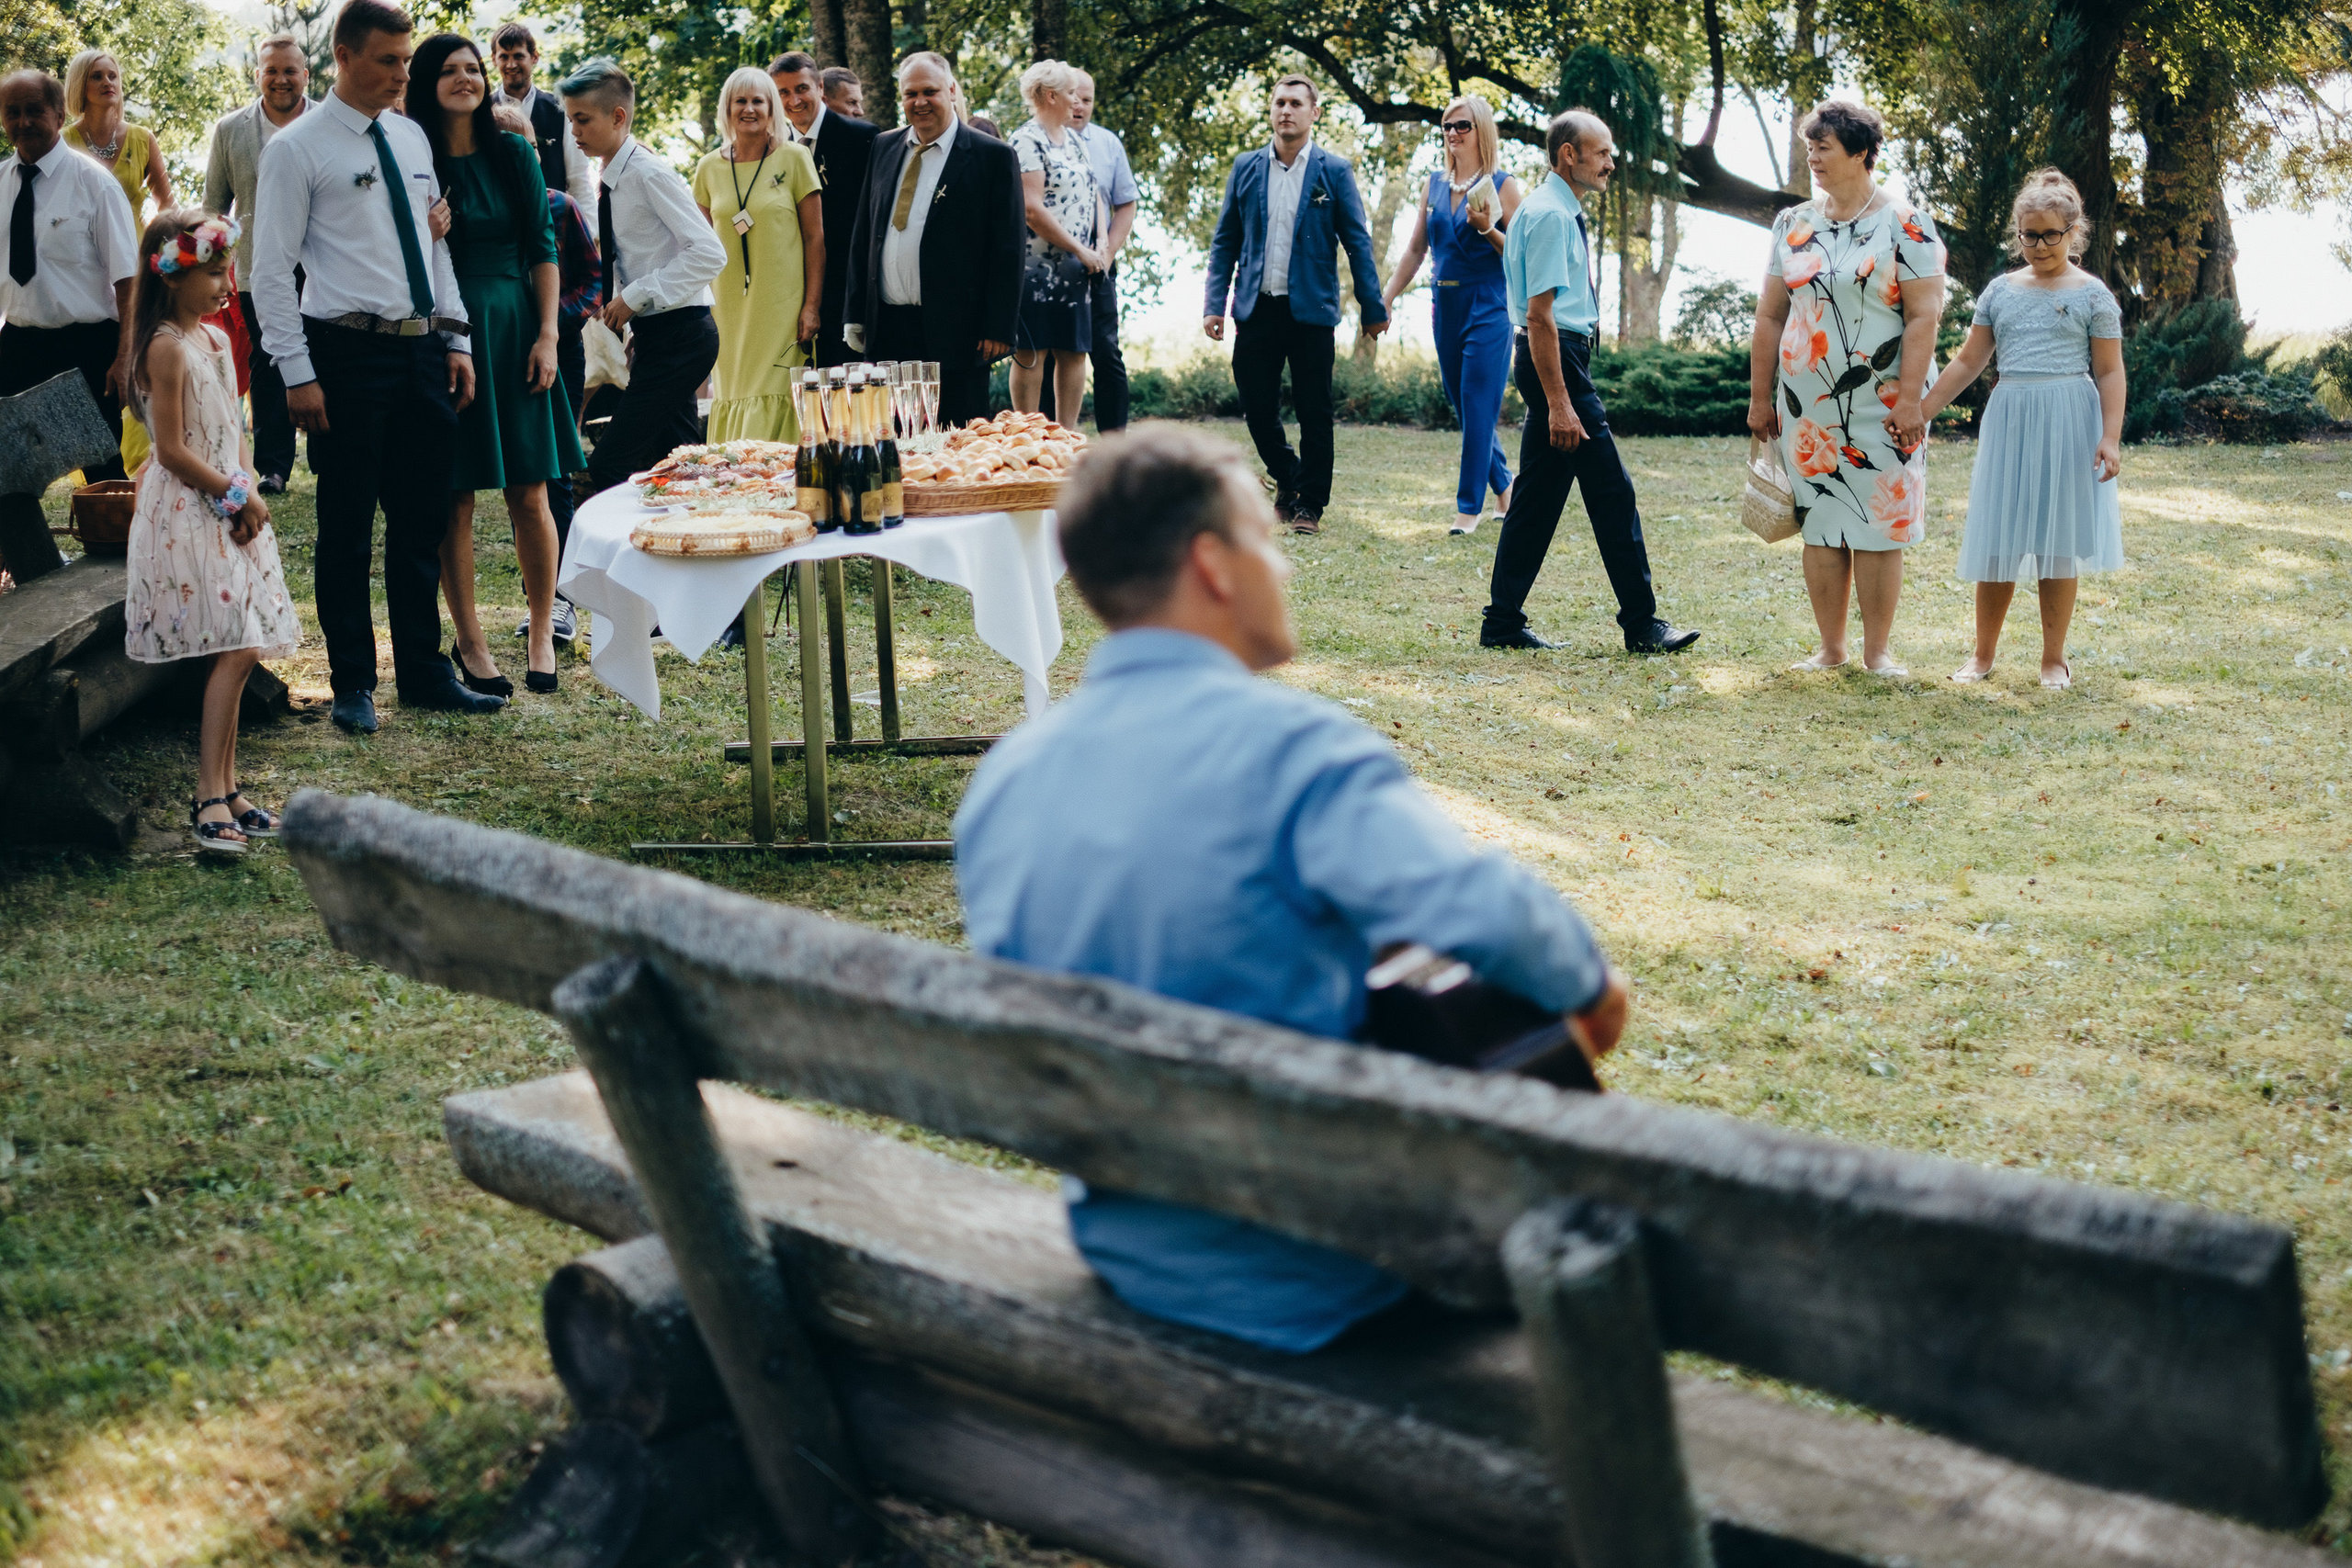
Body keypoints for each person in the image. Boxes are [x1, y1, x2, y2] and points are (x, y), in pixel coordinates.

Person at [955, 423, 1628, 1353]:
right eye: (1264, 537)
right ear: (1213, 565)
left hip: (1132, 1253)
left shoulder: (1003, 783)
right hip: (1328, 1280)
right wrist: (1595, 990)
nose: (1284, 566)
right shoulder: (1294, 754)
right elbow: (1498, 924)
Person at [252, 0, 503, 734]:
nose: (403, 74)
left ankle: (425, 672)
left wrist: (454, 338)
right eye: (389, 61)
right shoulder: (297, 150)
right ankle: (354, 681)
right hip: (345, 351)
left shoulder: (411, 136)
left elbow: (435, 245)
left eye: (405, 59)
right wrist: (295, 371)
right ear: (344, 55)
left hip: (422, 349)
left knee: (422, 517)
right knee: (347, 523)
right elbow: (270, 273)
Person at [1480, 110, 1699, 656]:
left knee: (1536, 498)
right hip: (1558, 360)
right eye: (1600, 153)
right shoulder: (1553, 215)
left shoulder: (1539, 208)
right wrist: (1559, 402)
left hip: (1550, 357)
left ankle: (1502, 621)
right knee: (1612, 493)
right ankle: (1642, 625)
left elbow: (1527, 289)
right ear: (1568, 155)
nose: (1611, 162)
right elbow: (1540, 316)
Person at [407, 37, 582, 701]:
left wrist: (546, 335)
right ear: (428, 82)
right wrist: (428, 231)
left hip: (514, 327)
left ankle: (541, 628)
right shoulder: (413, 153)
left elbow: (543, 244)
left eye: (472, 69)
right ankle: (471, 639)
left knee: (531, 491)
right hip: (445, 331)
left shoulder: (515, 151)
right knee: (454, 495)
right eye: (448, 71)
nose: (465, 79)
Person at [121, 209, 300, 856]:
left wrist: (249, 487)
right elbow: (169, 449)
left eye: (229, 270)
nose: (229, 283)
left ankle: (230, 786)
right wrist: (230, 496)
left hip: (232, 502)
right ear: (172, 277)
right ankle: (207, 794)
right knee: (233, 646)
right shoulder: (164, 347)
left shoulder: (219, 340)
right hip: (192, 511)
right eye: (217, 272)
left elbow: (235, 427)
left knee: (245, 641)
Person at [1746, 99, 1945, 677]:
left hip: (1885, 403)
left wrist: (1912, 400)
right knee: (1822, 521)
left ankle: (1876, 651)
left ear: (1860, 153)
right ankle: (1830, 649)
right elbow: (1769, 317)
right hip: (1805, 403)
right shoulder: (1792, 224)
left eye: (1823, 147)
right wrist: (1761, 397)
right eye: (1809, 147)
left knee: (1881, 526)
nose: (1812, 157)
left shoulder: (1906, 223)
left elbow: (1923, 317)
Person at [1918, 169, 2124, 690]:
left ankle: (2053, 658)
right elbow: (1968, 362)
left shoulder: (2093, 295)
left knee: (2058, 541)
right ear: (2018, 233)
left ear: (2073, 232)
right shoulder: (1999, 292)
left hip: (2069, 417)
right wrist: (1921, 411)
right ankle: (1982, 654)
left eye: (2051, 234)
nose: (2039, 245)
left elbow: (2109, 370)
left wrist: (2110, 436)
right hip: (2011, 414)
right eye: (2029, 235)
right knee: (1999, 538)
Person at [1201, 74, 1388, 535]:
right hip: (1256, 310)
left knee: (1314, 410)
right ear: (1271, 111)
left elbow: (1358, 244)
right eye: (1279, 103)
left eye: (1296, 104)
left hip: (1311, 312)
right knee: (1256, 405)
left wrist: (1373, 307)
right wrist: (1214, 304)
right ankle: (1288, 476)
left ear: (1314, 113)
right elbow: (1225, 241)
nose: (1286, 110)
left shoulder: (1334, 171)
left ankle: (1310, 505)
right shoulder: (1246, 167)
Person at [561, 58, 725, 500]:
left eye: (582, 119)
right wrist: (639, 321)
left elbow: (710, 252)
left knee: (610, 462)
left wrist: (634, 298)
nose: (573, 130)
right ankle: (694, 547)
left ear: (618, 117)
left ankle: (580, 564)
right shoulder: (612, 177)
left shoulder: (649, 173)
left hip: (685, 336)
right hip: (657, 336)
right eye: (570, 119)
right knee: (680, 461)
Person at [0, 70, 137, 585]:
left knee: (103, 470)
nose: (24, 121)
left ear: (60, 114)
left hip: (87, 344)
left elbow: (129, 278)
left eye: (34, 109)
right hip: (19, 341)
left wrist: (126, 357)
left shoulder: (93, 184)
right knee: (5, 466)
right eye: (13, 111)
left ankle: (124, 583)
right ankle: (32, 574)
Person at [842, 52, 1023, 428]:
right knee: (890, 441)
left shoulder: (992, 156)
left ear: (952, 90)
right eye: (910, 94)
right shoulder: (883, 147)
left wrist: (998, 326)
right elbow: (865, 233)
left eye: (930, 91)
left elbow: (1007, 247)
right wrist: (856, 312)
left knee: (956, 441)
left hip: (958, 329)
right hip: (888, 328)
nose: (920, 102)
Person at [1381, 94, 1522, 536]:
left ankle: (1467, 509)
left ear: (1482, 131)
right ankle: (1506, 486)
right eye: (1446, 126)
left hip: (1489, 304)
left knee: (1479, 406)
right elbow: (1415, 250)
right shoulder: (1433, 185)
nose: (1452, 133)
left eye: (1462, 125)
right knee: (1464, 406)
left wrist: (1488, 230)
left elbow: (1520, 254)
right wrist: (1384, 298)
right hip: (1445, 306)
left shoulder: (1503, 185)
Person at [203, 33, 312, 495]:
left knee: (331, 360)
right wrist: (210, 272)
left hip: (323, 266)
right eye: (272, 70)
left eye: (290, 70)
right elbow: (213, 208)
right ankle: (273, 467)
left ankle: (333, 456)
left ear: (305, 75)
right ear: (258, 76)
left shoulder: (330, 122)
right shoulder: (231, 130)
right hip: (256, 268)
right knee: (269, 367)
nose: (281, 79)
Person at [694, 66, 822, 441]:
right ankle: (738, 478)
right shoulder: (708, 168)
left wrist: (811, 306)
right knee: (732, 390)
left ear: (772, 109)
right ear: (727, 108)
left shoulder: (795, 158)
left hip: (783, 305)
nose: (749, 109)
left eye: (758, 101)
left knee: (780, 388)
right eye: (741, 101)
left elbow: (815, 238)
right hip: (728, 308)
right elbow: (698, 245)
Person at [1007, 60, 1103, 428]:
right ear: (1050, 96)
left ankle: (1068, 438)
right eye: (1070, 94)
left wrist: (1099, 246)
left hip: (1077, 270)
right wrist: (1080, 249)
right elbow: (1031, 208)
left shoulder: (1076, 141)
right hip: (1036, 269)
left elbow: (1092, 195)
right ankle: (1028, 435)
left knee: (1075, 351)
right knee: (1033, 352)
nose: (1077, 101)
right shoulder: (1025, 140)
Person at [1041, 70, 1136, 433]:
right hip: (1049, 270)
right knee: (1050, 356)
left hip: (1098, 270)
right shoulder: (1037, 141)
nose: (1079, 105)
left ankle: (1115, 446)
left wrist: (1107, 253)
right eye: (1074, 96)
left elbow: (1126, 204)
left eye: (1088, 99)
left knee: (1107, 353)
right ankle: (1050, 443)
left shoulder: (1108, 144)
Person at [770, 50, 876, 369]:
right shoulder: (772, 148)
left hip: (847, 292)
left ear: (819, 88)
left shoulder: (863, 138)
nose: (794, 100)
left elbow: (872, 222)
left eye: (801, 88)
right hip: (791, 292)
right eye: (783, 93)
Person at [489, 22, 598, 211]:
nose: (511, 64)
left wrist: (590, 232)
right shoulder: (483, 111)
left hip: (554, 220)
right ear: (494, 60)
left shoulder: (559, 109)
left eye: (518, 56)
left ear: (534, 57)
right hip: (500, 220)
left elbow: (578, 178)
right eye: (504, 57)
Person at [63, 51, 171, 221]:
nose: (107, 82)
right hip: (80, 246)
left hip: (135, 246)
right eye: (97, 77)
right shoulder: (62, 142)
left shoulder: (143, 139)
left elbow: (168, 209)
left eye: (112, 76)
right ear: (80, 85)